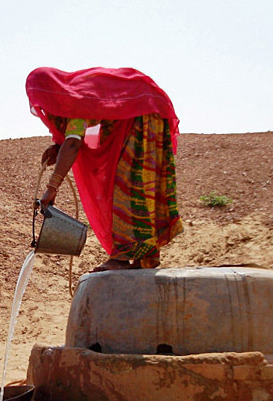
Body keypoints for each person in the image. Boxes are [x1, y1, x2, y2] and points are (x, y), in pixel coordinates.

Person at [27, 67, 183, 271]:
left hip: (144, 111)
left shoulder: (77, 99)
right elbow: (72, 137)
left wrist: (52, 188)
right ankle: (140, 258)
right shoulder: (75, 96)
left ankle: (123, 258)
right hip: (147, 106)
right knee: (137, 186)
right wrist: (58, 146)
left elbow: (73, 144)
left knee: (129, 185)